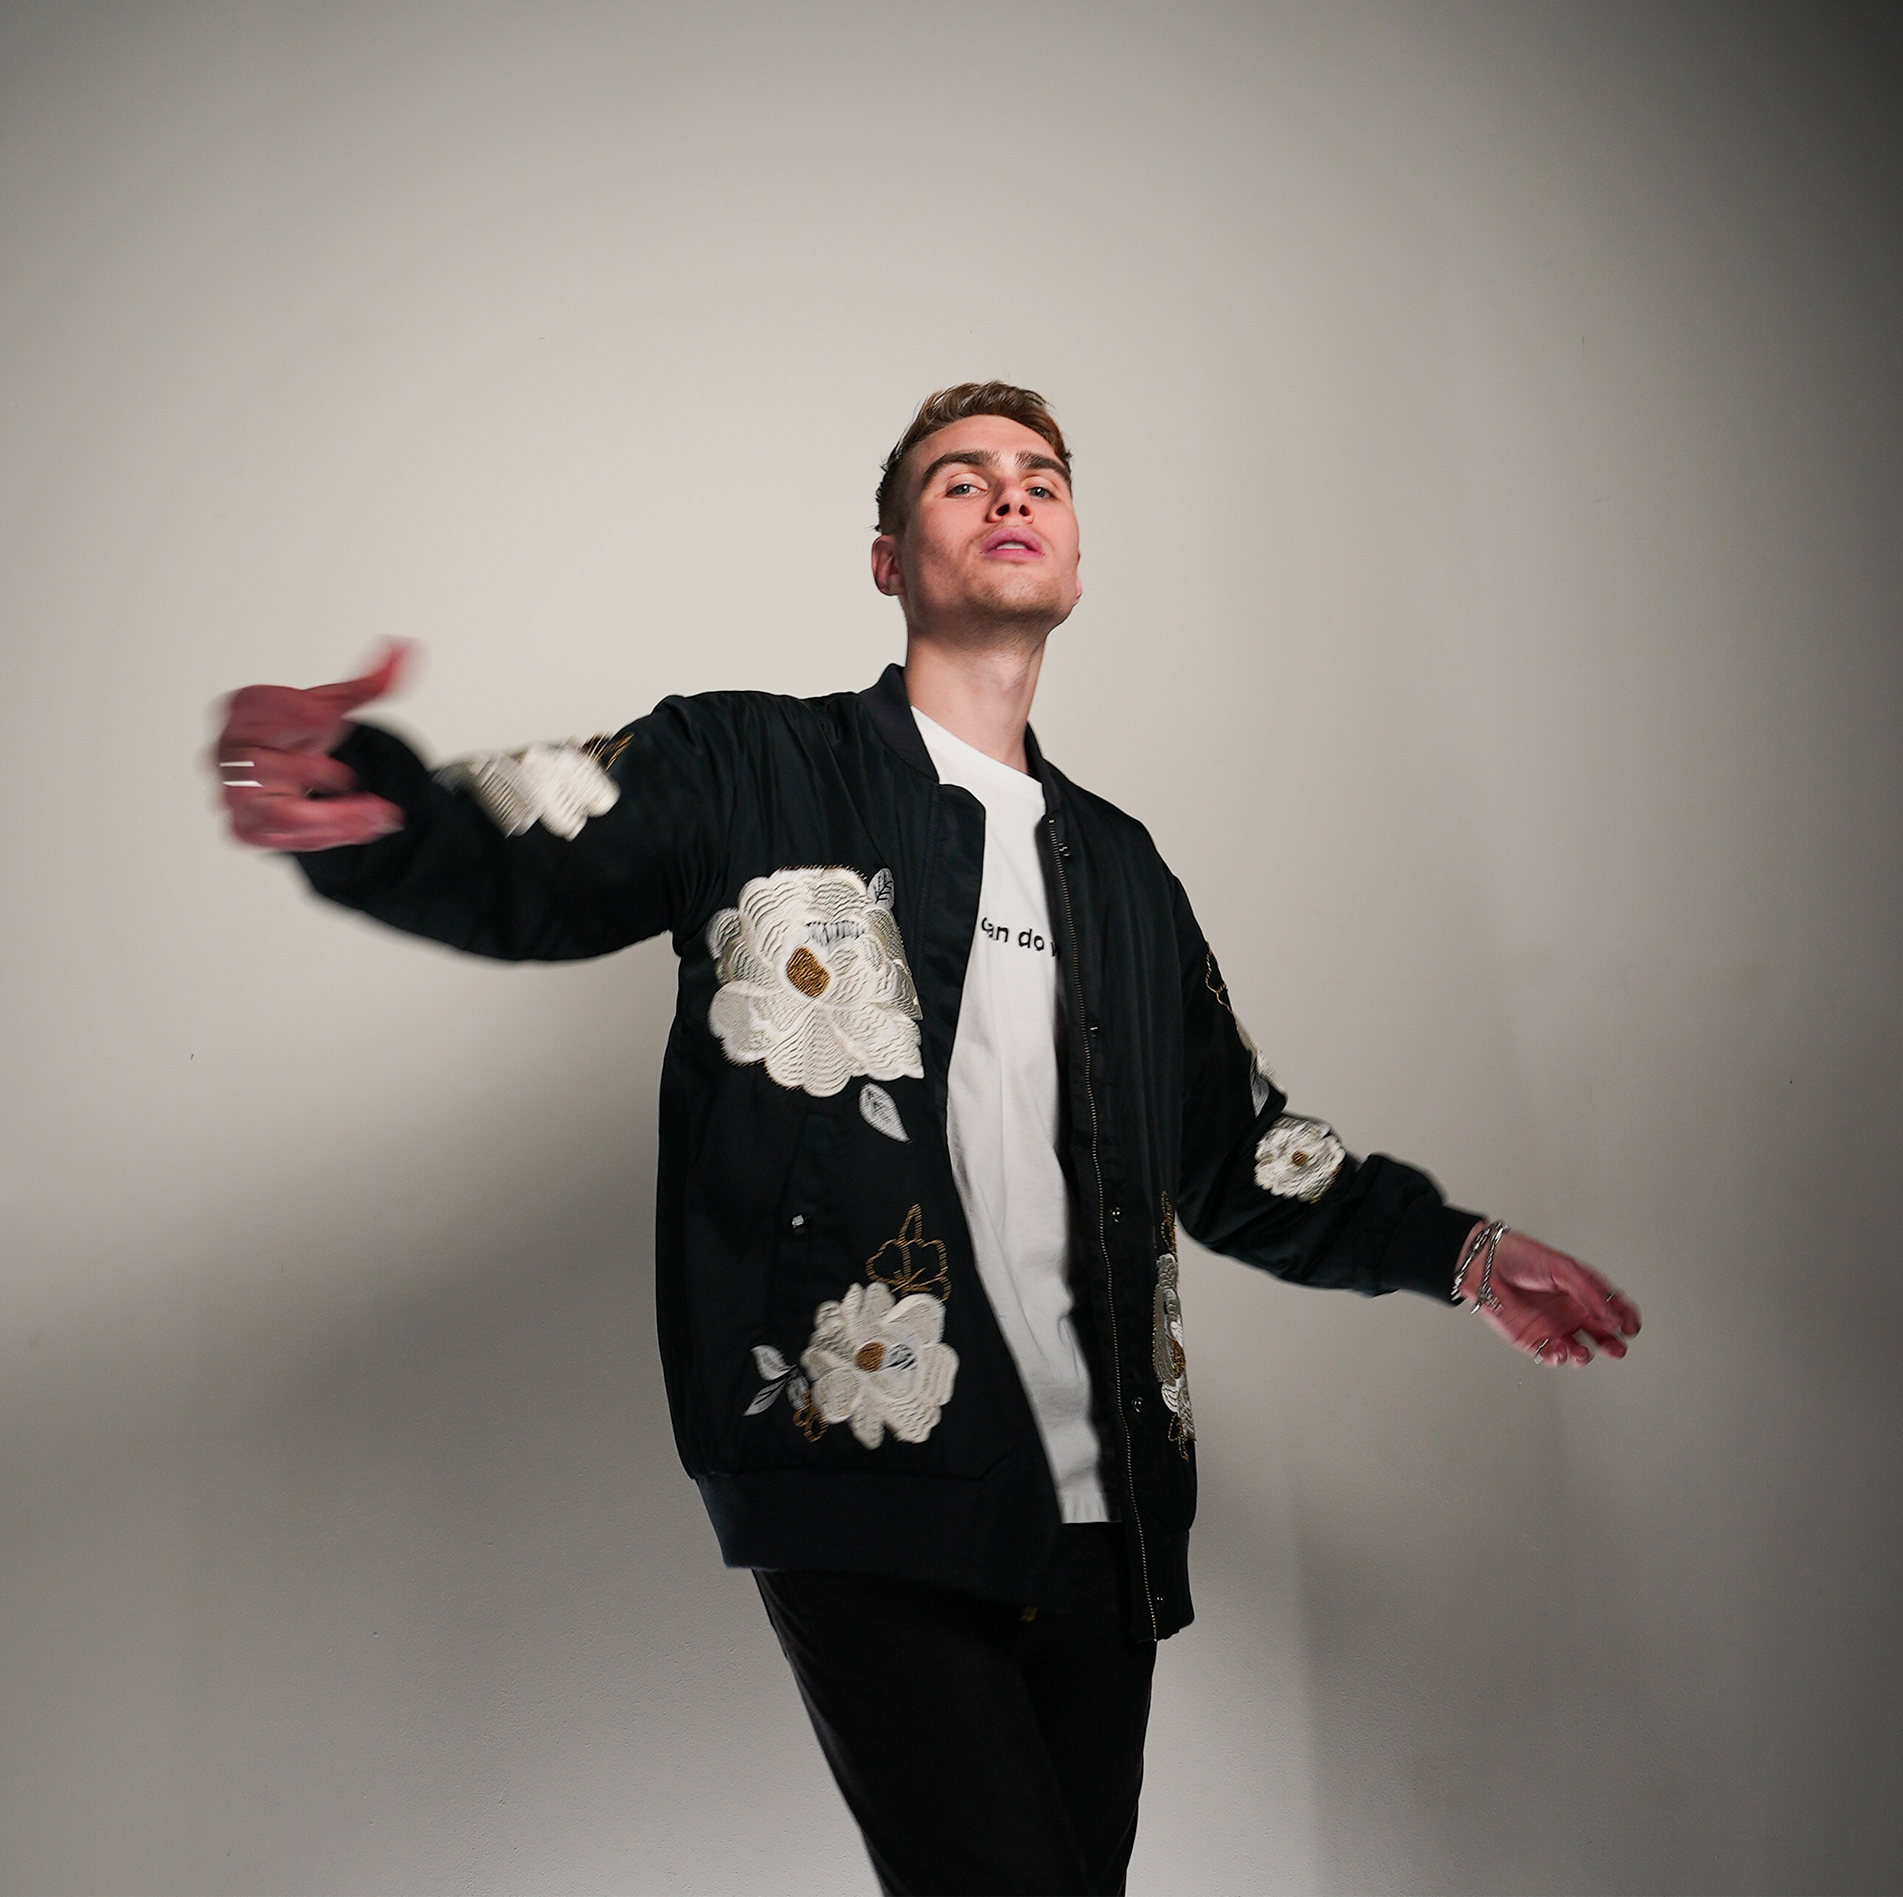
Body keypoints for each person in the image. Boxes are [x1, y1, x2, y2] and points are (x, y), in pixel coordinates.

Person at [212, 382, 1639, 1896]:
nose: (1010, 495)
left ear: (1075, 559)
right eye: (961, 480)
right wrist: (363, 794)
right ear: (890, 559)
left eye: (1041, 478)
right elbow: (535, 839)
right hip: (867, 1475)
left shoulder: (1126, 874)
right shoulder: (749, 765)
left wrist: (1462, 1252)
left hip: (1106, 1518)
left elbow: (1238, 1151)